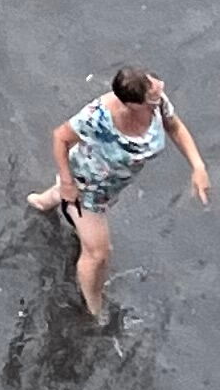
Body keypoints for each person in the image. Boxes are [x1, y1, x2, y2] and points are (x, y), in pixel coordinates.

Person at [28, 66, 209, 325]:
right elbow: (60, 137)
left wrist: (197, 166)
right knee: (98, 254)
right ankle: (92, 305)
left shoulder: (156, 100)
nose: (160, 88)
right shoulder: (97, 116)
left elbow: (174, 126)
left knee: (73, 215)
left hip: (112, 184)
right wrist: (68, 183)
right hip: (88, 187)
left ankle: (42, 202)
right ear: (132, 104)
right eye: (152, 93)